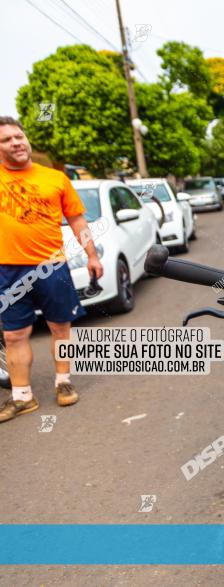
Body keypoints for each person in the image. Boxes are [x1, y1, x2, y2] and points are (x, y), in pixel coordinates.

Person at [0, 116, 103, 423]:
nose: (16, 143)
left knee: (60, 328)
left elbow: (77, 221)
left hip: (51, 267)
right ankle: (22, 397)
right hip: (7, 270)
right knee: (14, 334)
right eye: (6, 139)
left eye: (19, 136)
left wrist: (92, 256)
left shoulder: (55, 178)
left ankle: (63, 381)